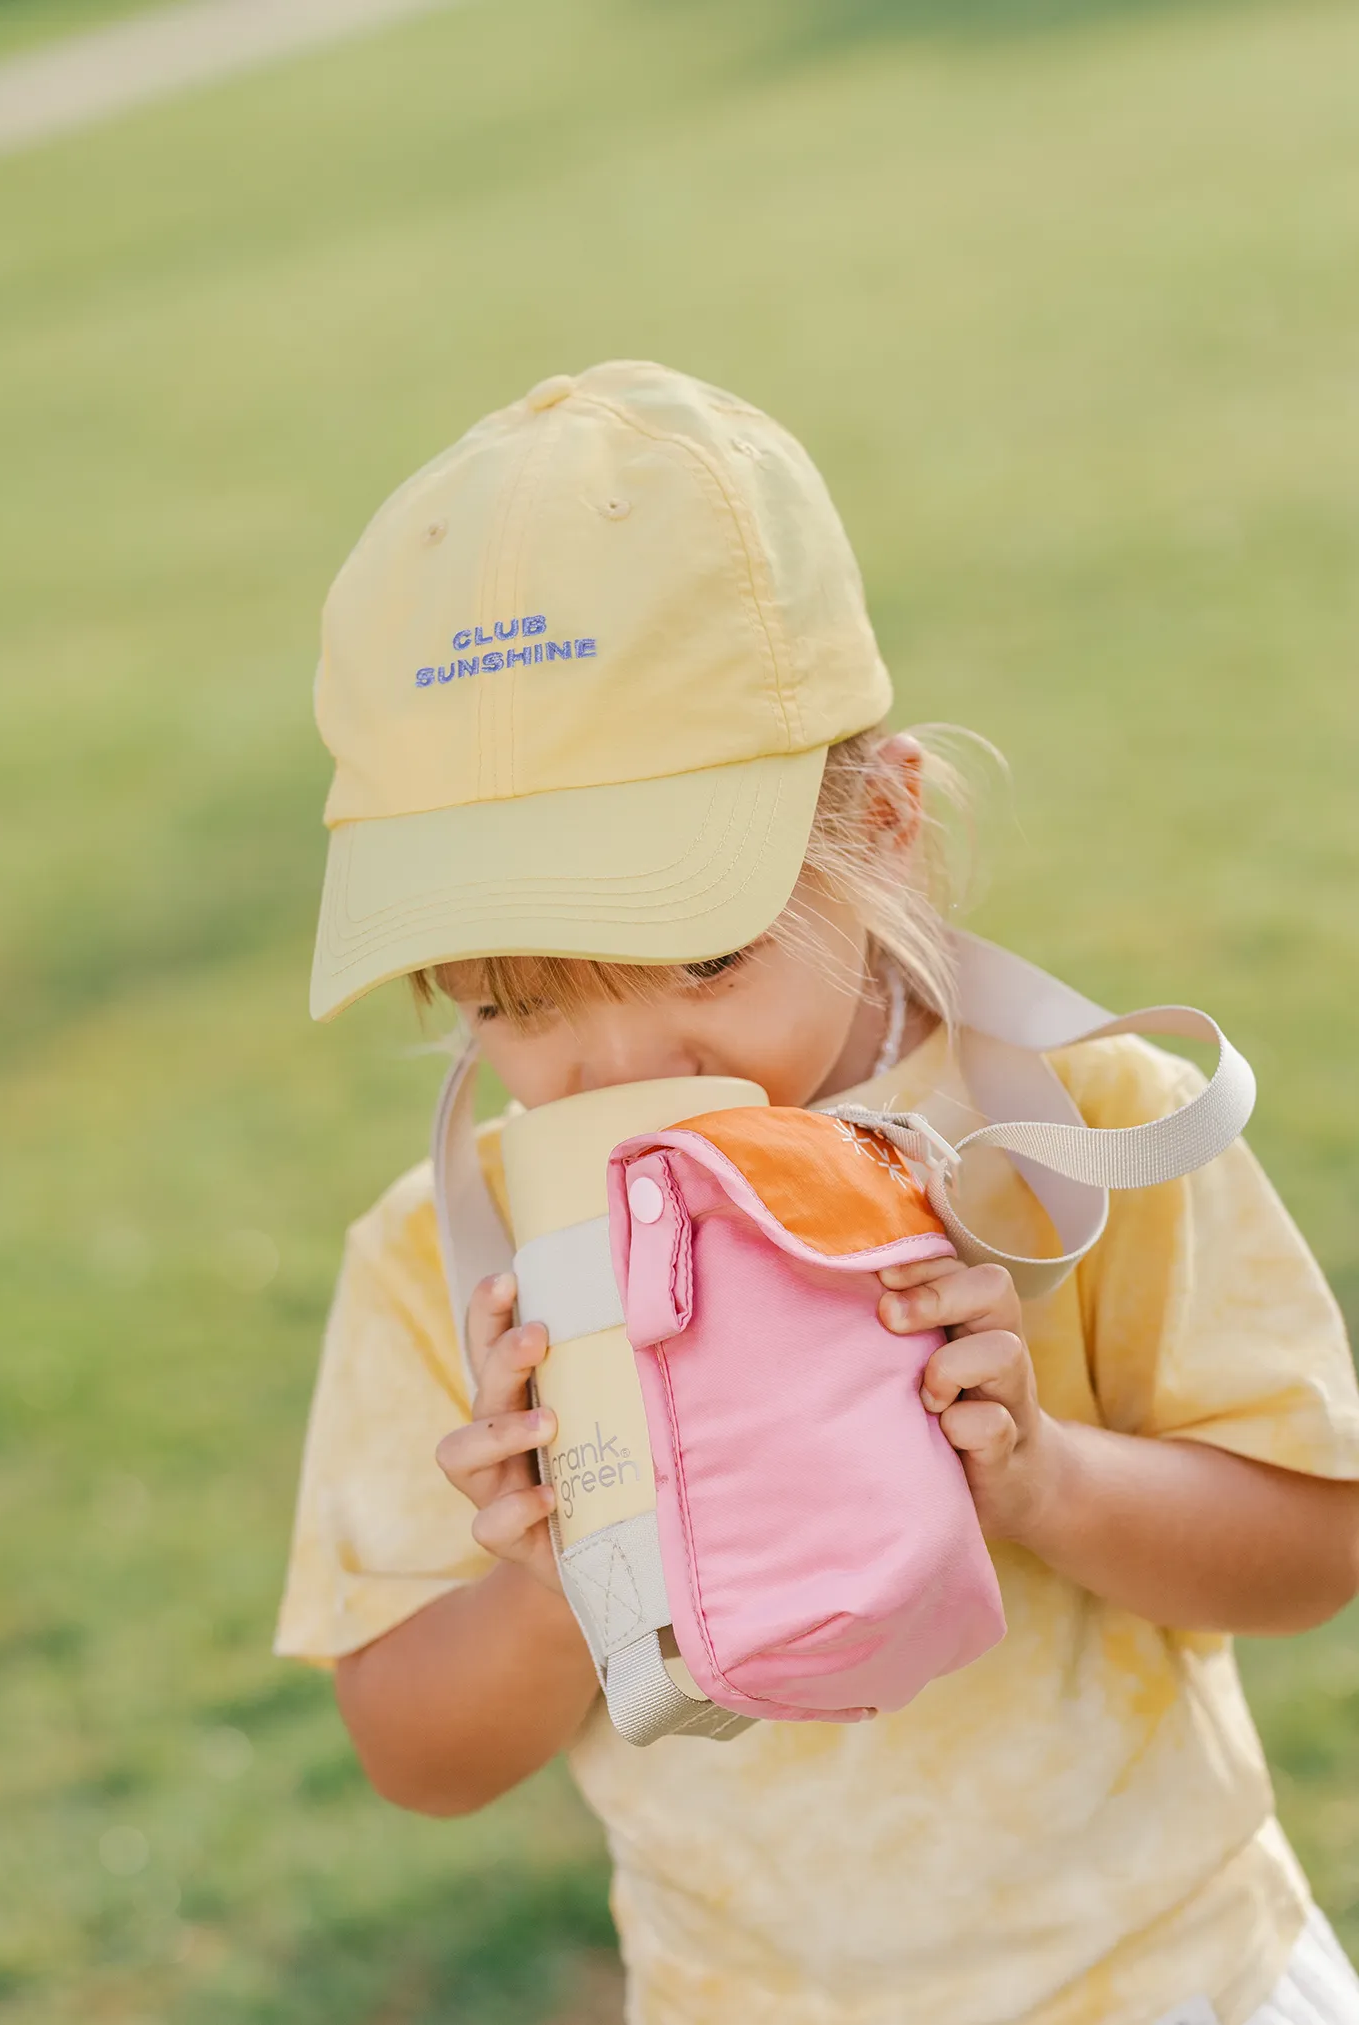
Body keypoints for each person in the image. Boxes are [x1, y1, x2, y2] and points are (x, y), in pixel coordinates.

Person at [276, 361, 1359, 2024]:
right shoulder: (448, 1263)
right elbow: (413, 1754)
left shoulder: (1065, 1132)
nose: (621, 1064)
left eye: (699, 950)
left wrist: (1044, 1478)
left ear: (888, 826)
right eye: (519, 1002)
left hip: (1177, 1975)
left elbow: (1312, 1549)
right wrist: (569, 1569)